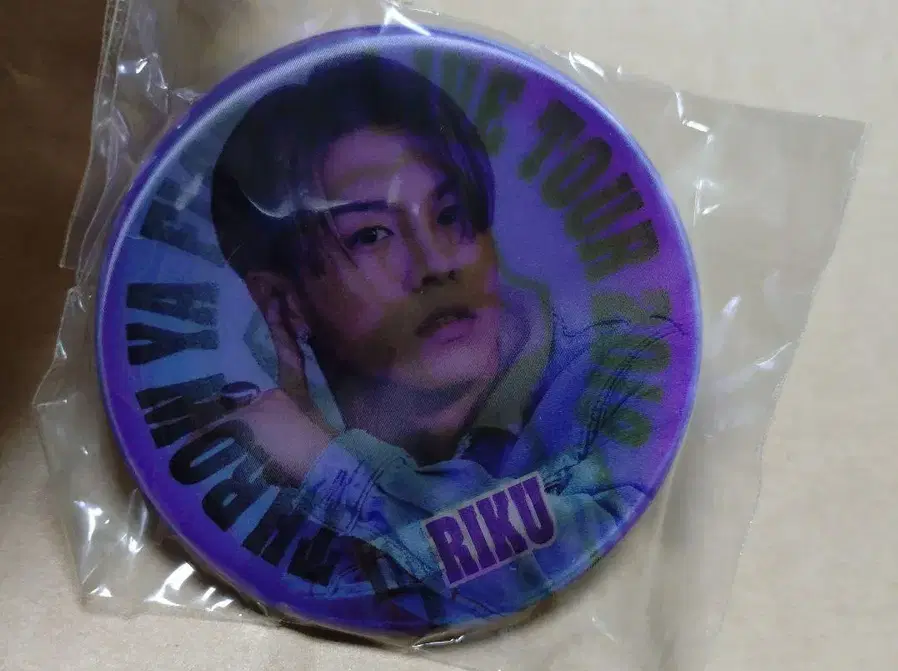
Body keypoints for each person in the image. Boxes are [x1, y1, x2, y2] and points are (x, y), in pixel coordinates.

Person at [210, 54, 675, 627]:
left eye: (450, 214)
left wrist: (332, 473)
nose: (438, 264)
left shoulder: (625, 368)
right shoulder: (257, 429)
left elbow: (550, 551)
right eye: (372, 235)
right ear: (284, 303)